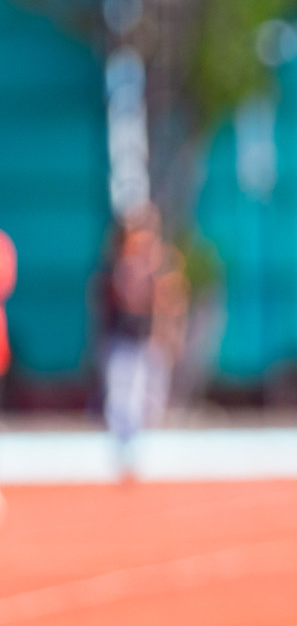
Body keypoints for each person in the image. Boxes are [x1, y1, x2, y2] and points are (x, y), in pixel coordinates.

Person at [97, 204, 187, 478]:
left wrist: (167, 332)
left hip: (142, 340)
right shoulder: (118, 268)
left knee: (144, 399)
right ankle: (123, 451)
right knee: (120, 397)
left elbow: (169, 301)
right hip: (121, 339)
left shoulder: (157, 269)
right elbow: (110, 303)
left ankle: (135, 449)